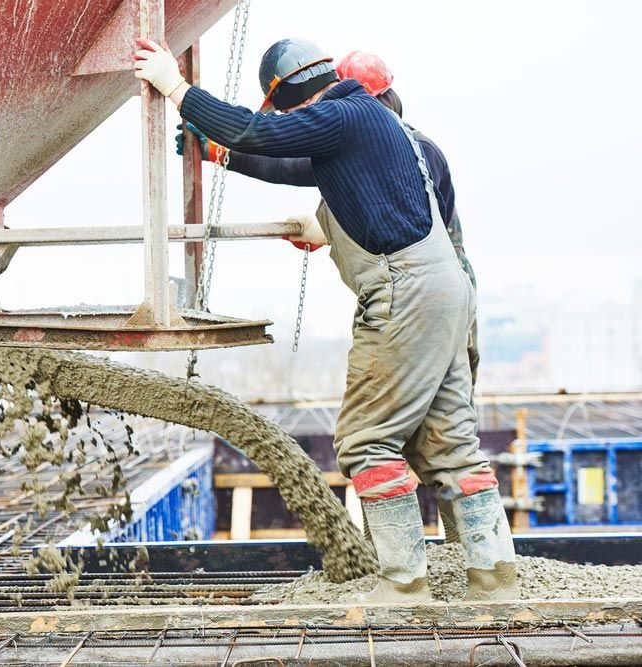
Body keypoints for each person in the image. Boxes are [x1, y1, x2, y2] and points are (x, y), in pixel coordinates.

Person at [134, 36, 518, 602]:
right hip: (446, 293)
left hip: (404, 295)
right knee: (450, 443)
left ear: (287, 96)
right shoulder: (381, 128)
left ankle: (404, 584)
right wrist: (224, 157)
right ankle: (494, 578)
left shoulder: (341, 116)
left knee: (367, 441)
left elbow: (260, 132)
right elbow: (298, 167)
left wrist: (175, 87)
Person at [178, 51, 481, 388]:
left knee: (389, 418)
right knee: (438, 423)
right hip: (429, 294)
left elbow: (397, 221)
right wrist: (223, 154)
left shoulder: (415, 148)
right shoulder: (373, 142)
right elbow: (293, 165)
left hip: (428, 297)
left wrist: (325, 231)